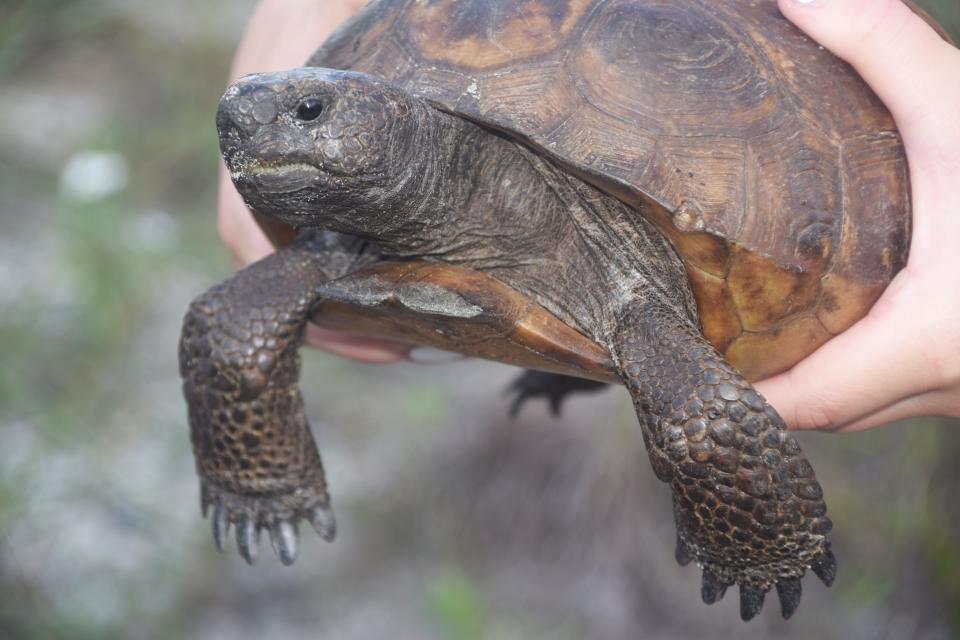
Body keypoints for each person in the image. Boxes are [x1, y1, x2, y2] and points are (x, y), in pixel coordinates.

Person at [218, 0, 960, 432]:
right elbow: (226, 331)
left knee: (706, 431)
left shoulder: (610, 250)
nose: (251, 133)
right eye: (236, 125)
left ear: (393, 124)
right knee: (229, 331)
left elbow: (711, 425)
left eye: (310, 112)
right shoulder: (333, 238)